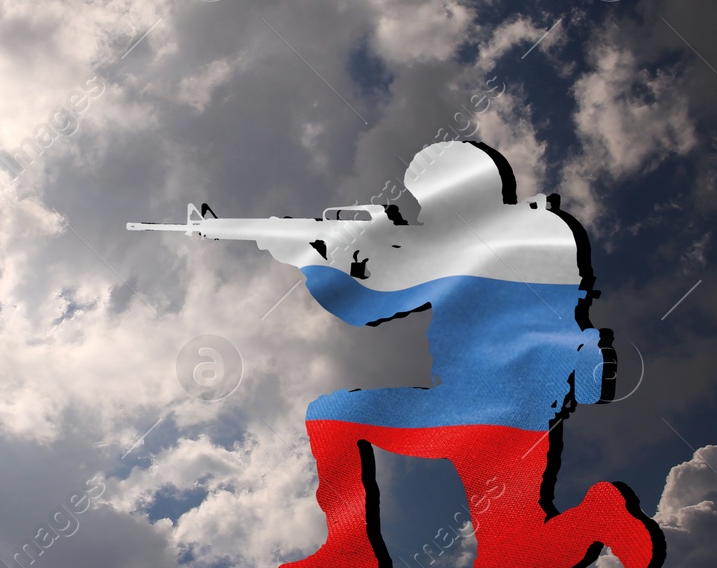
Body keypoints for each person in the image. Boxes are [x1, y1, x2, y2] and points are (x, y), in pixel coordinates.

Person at [283, 141, 663, 568]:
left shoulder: (470, 245)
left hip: (467, 409)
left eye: (426, 202)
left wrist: (315, 263)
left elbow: (369, 305)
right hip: (521, 420)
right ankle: (599, 518)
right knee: (515, 556)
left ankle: (350, 551)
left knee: (332, 417)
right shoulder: (548, 230)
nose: (422, 216)